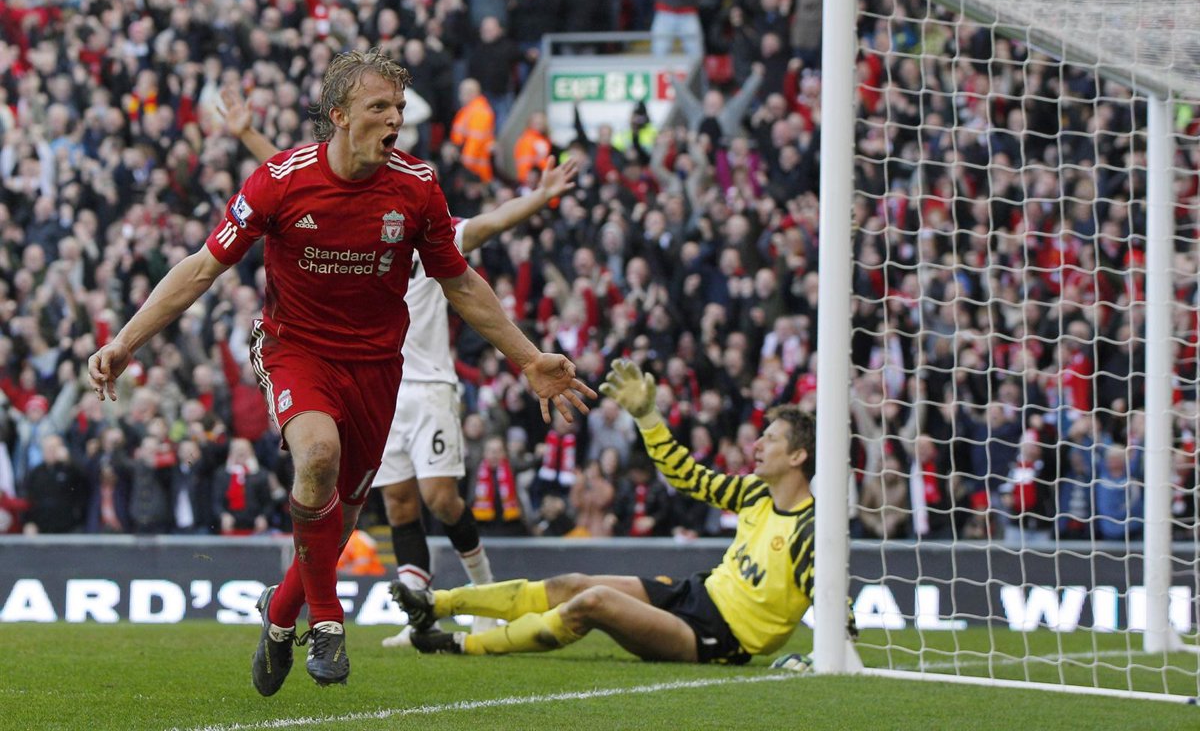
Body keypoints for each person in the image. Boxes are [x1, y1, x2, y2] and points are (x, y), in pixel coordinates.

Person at [87, 48, 594, 696]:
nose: (395, 119)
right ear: (340, 116)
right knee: (318, 455)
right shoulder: (279, 179)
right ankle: (327, 621)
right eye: (380, 107)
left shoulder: (417, 186)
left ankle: (279, 615)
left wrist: (528, 358)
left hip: (379, 367)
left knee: (342, 520)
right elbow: (201, 269)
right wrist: (126, 341)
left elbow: (461, 282)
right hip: (295, 349)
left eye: (399, 108)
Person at [218, 83, 579, 648]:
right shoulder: (341, 213)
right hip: (366, 377)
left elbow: (490, 226)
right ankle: (416, 616)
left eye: (397, 113)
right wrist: (246, 134)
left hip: (425, 381)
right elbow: (295, 179)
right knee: (397, 502)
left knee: (438, 497)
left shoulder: (423, 218)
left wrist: (540, 196)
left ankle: (485, 595)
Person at [392, 358, 854, 665]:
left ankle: (461, 643)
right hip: (696, 595)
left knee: (593, 603)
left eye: (771, 439)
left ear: (798, 456)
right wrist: (648, 417)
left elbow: (836, 601)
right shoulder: (754, 493)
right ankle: (436, 603)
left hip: (720, 637)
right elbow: (687, 476)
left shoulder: (812, 529)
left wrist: (827, 654)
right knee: (572, 583)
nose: (757, 445)